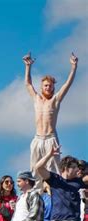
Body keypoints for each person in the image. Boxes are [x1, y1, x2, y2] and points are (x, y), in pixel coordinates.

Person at [23, 51, 78, 183]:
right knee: (35, 170)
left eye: (50, 86)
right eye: (46, 85)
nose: (48, 87)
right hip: (37, 138)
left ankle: (53, 194)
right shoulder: (36, 99)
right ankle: (36, 195)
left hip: (50, 138)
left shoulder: (55, 100)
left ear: (53, 88)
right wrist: (28, 67)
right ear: (42, 87)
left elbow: (67, 85)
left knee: (53, 170)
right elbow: (28, 84)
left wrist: (73, 67)